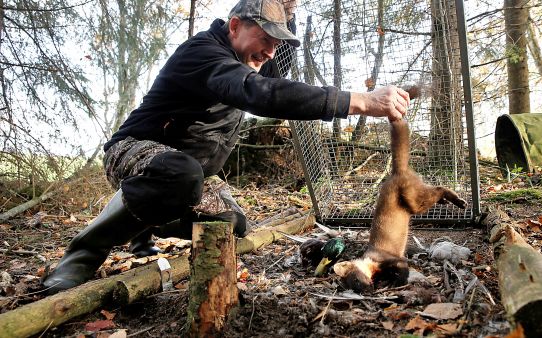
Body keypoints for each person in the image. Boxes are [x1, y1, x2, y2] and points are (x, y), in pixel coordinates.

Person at [42, 0, 410, 294]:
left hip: (192, 174)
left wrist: (287, 14)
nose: (269, 52)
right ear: (234, 25)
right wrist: (361, 100)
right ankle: (81, 255)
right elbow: (260, 93)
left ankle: (145, 224)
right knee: (179, 174)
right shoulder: (204, 53)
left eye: (276, 43)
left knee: (231, 223)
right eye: (264, 38)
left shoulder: (250, 57)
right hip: (135, 151)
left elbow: (282, 81)